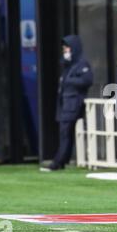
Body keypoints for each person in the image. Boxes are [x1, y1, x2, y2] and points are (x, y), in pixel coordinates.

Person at [40, 35, 93, 172]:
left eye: (67, 48)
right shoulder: (68, 65)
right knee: (65, 133)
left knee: (65, 133)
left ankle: (57, 162)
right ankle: (63, 160)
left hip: (73, 104)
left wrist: (69, 82)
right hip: (65, 104)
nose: (65, 51)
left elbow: (87, 81)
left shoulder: (82, 64)